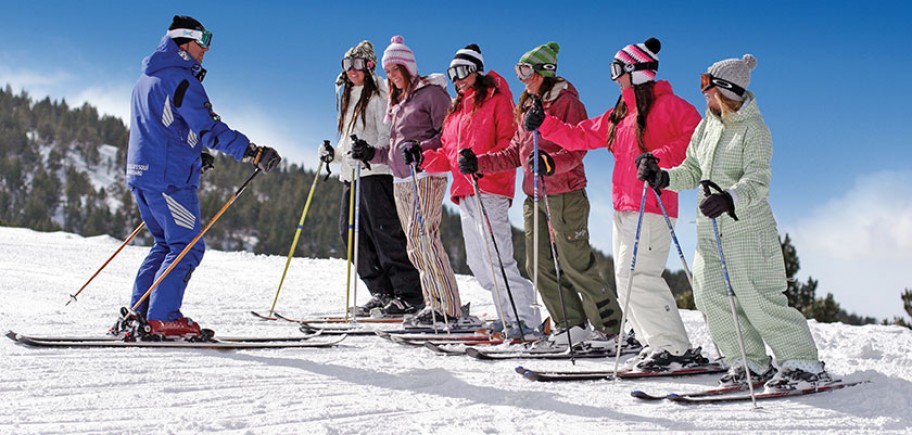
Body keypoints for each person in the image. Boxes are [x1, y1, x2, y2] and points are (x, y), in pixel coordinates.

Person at [637, 54, 832, 390]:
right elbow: (692, 170)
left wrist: (729, 198)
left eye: (706, 86)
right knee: (710, 295)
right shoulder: (707, 125)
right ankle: (747, 362)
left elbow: (758, 180)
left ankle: (803, 364)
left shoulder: (754, 130)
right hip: (710, 228)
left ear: (726, 91)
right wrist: (663, 177)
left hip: (746, 228)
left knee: (758, 298)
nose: (703, 94)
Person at [524, 37, 705, 370]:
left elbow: (697, 142)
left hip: (653, 204)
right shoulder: (621, 114)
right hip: (623, 206)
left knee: (640, 275)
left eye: (617, 70)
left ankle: (675, 348)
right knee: (626, 281)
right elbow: (581, 134)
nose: (614, 77)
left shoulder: (673, 107)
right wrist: (545, 124)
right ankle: (657, 345)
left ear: (636, 71)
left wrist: (658, 158)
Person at [125, 15, 281, 337]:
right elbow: (208, 127)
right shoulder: (181, 80)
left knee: (166, 244)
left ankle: (139, 314)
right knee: (187, 246)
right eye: (202, 42)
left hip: (143, 174)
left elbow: (164, 126)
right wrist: (251, 152)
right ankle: (163, 317)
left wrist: (194, 153)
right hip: (169, 179)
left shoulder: (147, 78)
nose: (206, 50)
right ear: (183, 42)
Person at [460, 42, 621, 346]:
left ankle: (610, 327)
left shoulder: (566, 102)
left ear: (545, 71)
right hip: (533, 196)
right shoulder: (527, 106)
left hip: (565, 193)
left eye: (526, 71)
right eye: (518, 71)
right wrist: (479, 163)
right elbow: (513, 154)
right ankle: (570, 323)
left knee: (575, 262)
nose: (522, 78)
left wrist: (551, 163)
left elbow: (577, 147)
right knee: (538, 264)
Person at [421, 44, 540, 338]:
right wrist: (423, 158)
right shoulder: (457, 109)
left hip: (490, 186)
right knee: (478, 262)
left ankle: (525, 319)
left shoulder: (498, 100)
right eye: (452, 74)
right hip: (465, 190)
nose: (456, 79)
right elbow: (450, 155)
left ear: (476, 70)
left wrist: (480, 162)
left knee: (497, 257)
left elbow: (509, 143)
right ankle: (508, 314)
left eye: (461, 71)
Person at [350, 35, 463, 325]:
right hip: (401, 179)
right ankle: (433, 303)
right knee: (413, 245)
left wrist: (422, 149)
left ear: (408, 68)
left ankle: (448, 308)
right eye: (387, 72)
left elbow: (448, 134)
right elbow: (392, 152)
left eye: (395, 70)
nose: (391, 77)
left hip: (426, 174)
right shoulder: (398, 101)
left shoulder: (432, 94)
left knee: (425, 239)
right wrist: (369, 153)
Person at [318, 40, 423, 317]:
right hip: (351, 175)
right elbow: (348, 141)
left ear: (370, 66)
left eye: (358, 64)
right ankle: (381, 292)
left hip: (376, 173)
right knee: (351, 234)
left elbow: (386, 135)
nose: (352, 70)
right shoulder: (348, 95)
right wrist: (335, 154)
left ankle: (409, 294)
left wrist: (369, 152)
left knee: (384, 233)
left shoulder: (380, 93)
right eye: (347, 65)